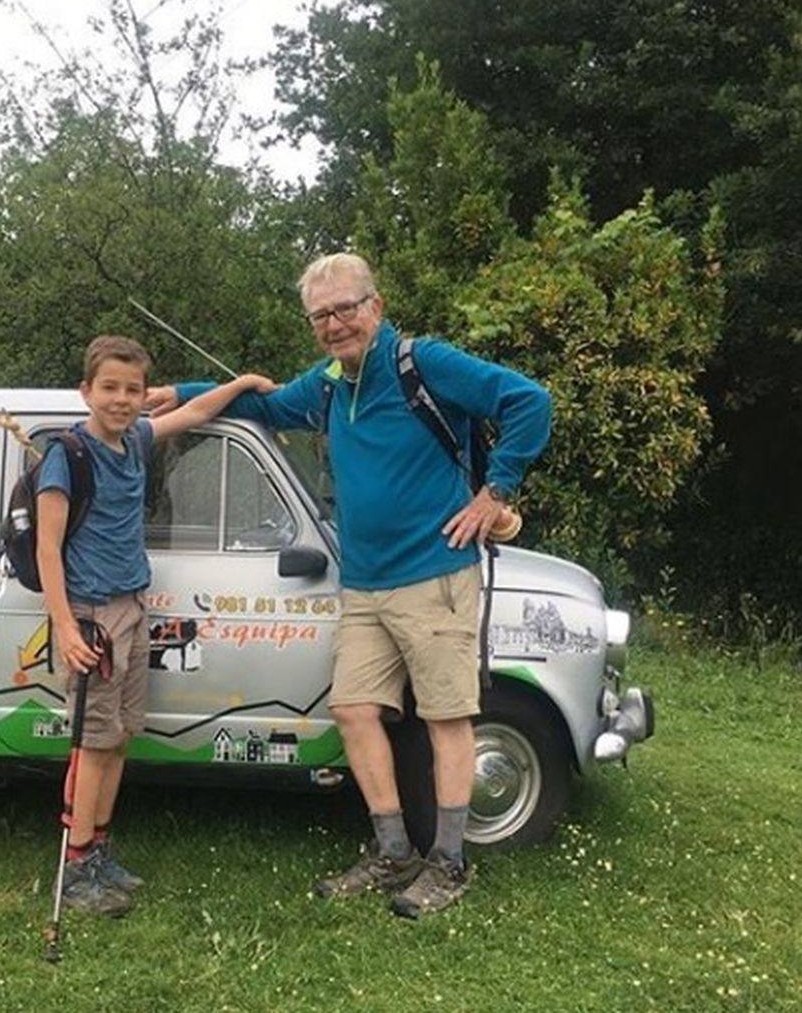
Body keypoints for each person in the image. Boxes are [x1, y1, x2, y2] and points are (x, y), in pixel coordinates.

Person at [146, 253, 551, 918]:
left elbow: (529, 402)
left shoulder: (424, 364)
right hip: (362, 582)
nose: (335, 325)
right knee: (356, 710)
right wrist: (188, 392)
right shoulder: (333, 382)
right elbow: (268, 406)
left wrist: (493, 493)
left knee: (447, 719)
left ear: (376, 307)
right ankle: (393, 849)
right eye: (321, 316)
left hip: (434, 574)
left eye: (345, 309)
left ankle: (448, 862)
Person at [38, 334, 274, 916]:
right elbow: (47, 548)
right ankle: (75, 870)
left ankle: (100, 849)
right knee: (92, 746)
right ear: (86, 391)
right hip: (91, 615)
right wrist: (65, 628)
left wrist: (241, 383)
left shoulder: (137, 438)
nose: (121, 399)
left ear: (144, 396)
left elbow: (193, 412)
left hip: (132, 606)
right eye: (110, 387)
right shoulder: (66, 455)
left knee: (119, 738)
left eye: (132, 389)